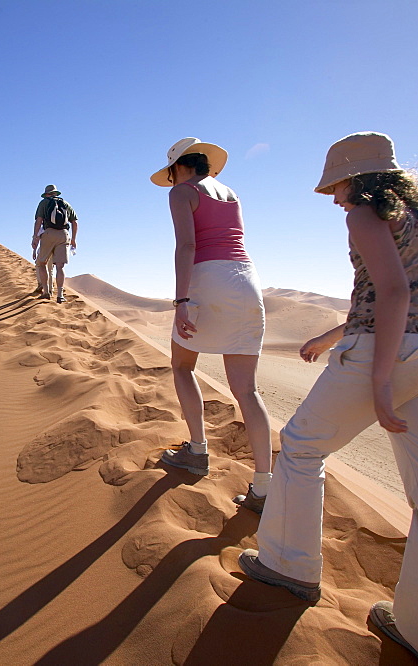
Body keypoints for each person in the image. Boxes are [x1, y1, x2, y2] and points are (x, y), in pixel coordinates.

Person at [238, 132, 418, 665]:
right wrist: (329, 338)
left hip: (385, 355)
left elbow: (392, 294)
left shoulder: (365, 214)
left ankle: (288, 565)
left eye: (337, 185)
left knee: (301, 446)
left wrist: (378, 378)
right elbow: (396, 293)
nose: (333, 197)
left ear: (358, 178)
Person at [152, 138, 274, 512]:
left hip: (208, 280)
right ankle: (265, 488)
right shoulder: (230, 192)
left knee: (182, 365)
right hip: (247, 280)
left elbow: (186, 246)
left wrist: (182, 301)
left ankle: (197, 451)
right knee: (247, 391)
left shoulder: (181, 192)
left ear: (177, 168)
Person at [32, 185, 78, 303]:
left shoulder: (44, 203)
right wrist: (73, 239)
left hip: (49, 233)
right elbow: (75, 222)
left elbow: (39, 221)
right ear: (56, 194)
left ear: (47, 194)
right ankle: (60, 294)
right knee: (60, 266)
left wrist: (35, 237)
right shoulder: (66, 204)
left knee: (42, 263)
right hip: (64, 234)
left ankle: (46, 292)